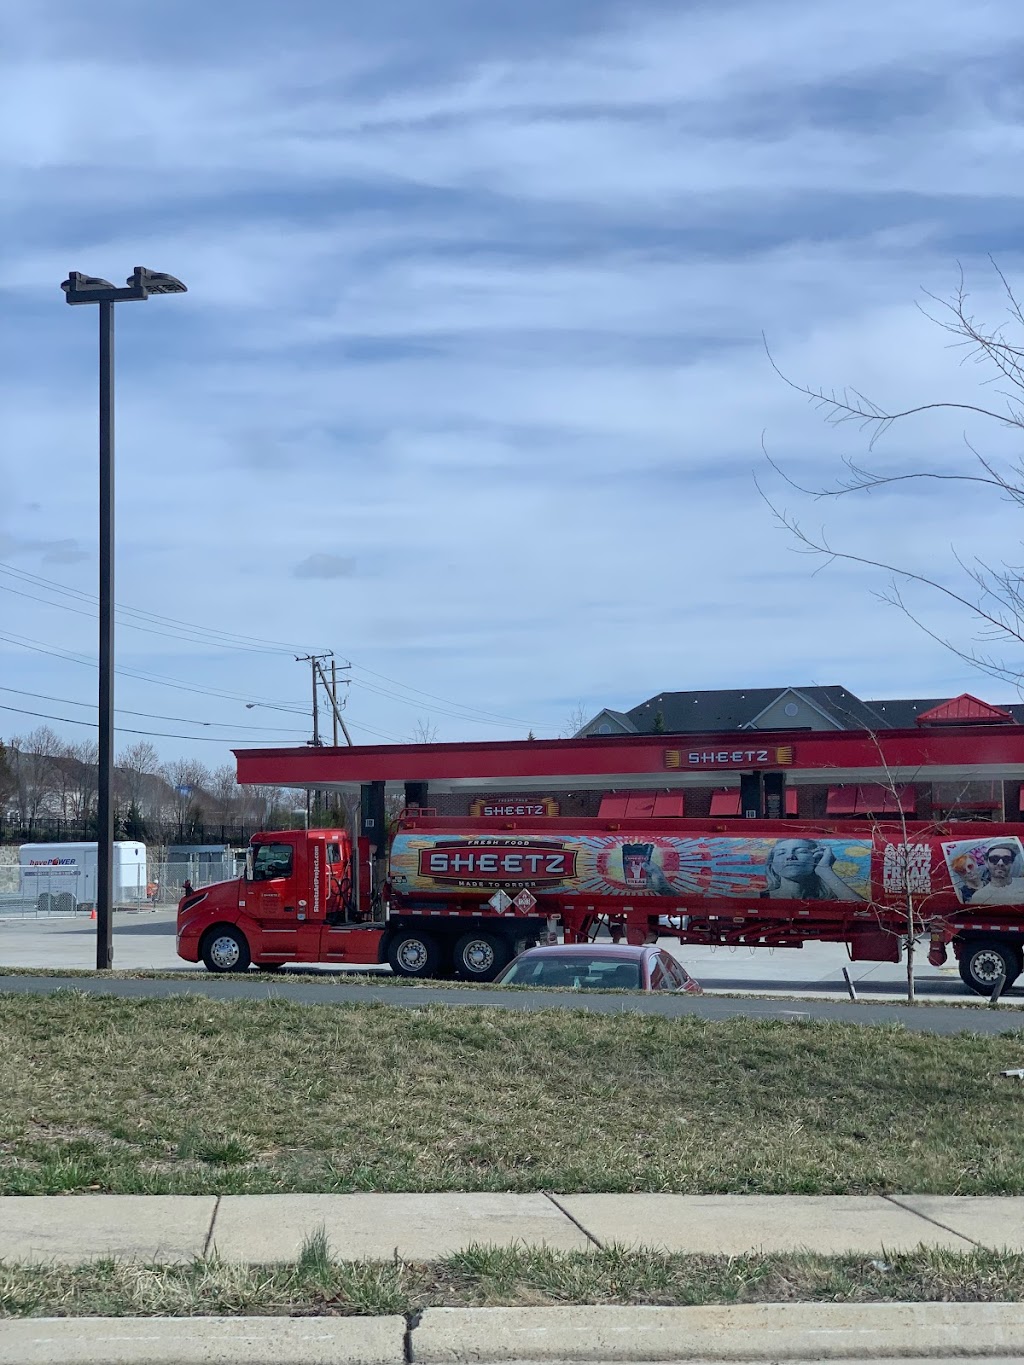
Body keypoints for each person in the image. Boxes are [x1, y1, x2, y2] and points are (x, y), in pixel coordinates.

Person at [761, 838, 864, 901]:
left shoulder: (835, 896)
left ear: (818, 858)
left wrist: (825, 870)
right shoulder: (758, 897)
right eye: (781, 853)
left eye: (801, 851)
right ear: (772, 864)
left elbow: (861, 910)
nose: (790, 857)